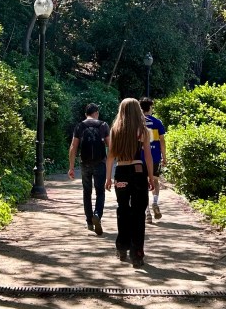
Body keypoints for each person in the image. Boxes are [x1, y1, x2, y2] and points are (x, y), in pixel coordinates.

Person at [105, 98, 154, 267]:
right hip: (138, 172)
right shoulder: (143, 130)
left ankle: (122, 247)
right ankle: (137, 254)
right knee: (139, 213)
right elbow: (147, 156)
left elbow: (110, 156)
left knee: (123, 209)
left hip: (121, 173)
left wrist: (108, 178)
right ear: (137, 111)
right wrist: (151, 177)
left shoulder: (115, 130)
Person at [68, 103, 110, 235]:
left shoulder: (80, 126)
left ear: (86, 114)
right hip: (100, 163)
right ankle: (97, 214)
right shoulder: (103, 125)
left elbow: (73, 147)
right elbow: (111, 147)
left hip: (85, 163)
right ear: (96, 113)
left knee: (87, 192)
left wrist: (71, 167)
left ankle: (89, 222)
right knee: (100, 192)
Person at [139, 96, 166, 223]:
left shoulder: (138, 123)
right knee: (155, 181)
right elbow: (162, 141)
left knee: (143, 184)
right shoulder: (157, 122)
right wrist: (164, 157)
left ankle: (147, 212)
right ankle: (155, 202)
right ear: (149, 107)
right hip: (155, 157)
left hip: (140, 158)